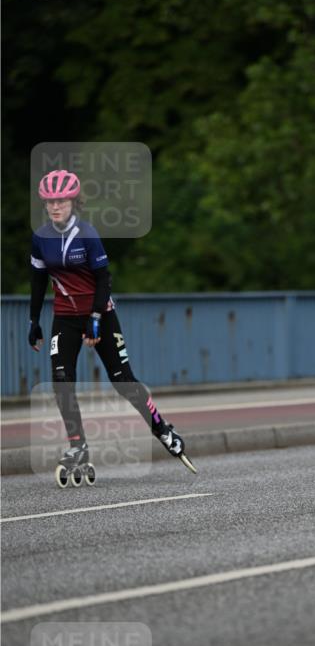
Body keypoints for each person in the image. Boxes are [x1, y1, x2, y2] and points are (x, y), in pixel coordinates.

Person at [28, 169, 196, 484]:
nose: (55, 206)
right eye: (50, 201)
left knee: (123, 381)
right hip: (64, 317)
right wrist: (33, 319)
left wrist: (95, 319)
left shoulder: (87, 233)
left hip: (100, 314)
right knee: (61, 381)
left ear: (74, 202)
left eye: (61, 200)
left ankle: (162, 429)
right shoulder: (41, 238)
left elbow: (104, 279)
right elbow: (38, 281)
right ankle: (78, 445)